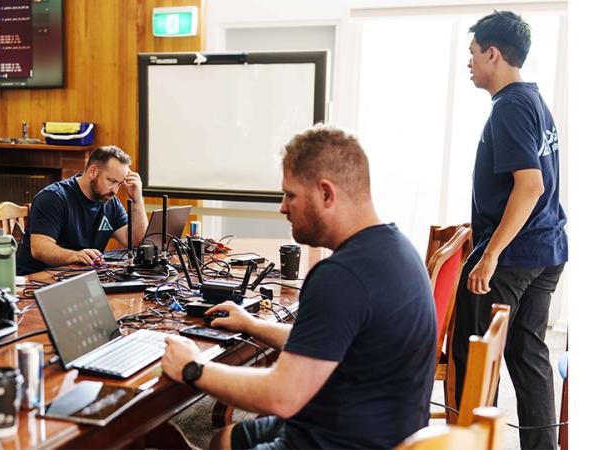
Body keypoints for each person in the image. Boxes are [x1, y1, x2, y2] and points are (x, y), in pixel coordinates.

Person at [161, 125, 436, 449]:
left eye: (290, 194)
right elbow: (327, 341)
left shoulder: (341, 277)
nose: (282, 207)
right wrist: (252, 324)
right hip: (372, 429)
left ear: (326, 194)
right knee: (224, 439)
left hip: (339, 441)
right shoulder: (397, 248)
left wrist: (193, 368)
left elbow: (282, 396)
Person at [451, 11, 568, 450]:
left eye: (473, 54)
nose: (470, 63)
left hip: (515, 258)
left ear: (493, 54)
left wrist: (490, 253)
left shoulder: (510, 107)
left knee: (476, 355)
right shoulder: (532, 100)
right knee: (528, 354)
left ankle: (470, 444)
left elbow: (531, 185)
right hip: (546, 249)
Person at [16, 145, 148, 275]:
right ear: (93, 171)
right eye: (111, 181)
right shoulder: (53, 197)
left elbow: (135, 242)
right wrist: (74, 256)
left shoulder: (110, 202)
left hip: (78, 277)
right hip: (37, 280)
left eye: (119, 184)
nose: (115, 190)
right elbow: (39, 248)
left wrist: (137, 199)